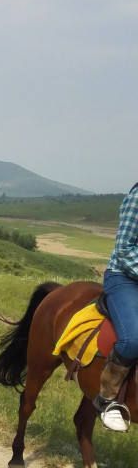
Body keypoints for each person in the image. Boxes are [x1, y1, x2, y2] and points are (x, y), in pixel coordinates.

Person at [94, 182, 138, 432]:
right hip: (125, 277)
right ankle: (107, 399)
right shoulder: (137, 198)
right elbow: (124, 249)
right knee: (132, 339)